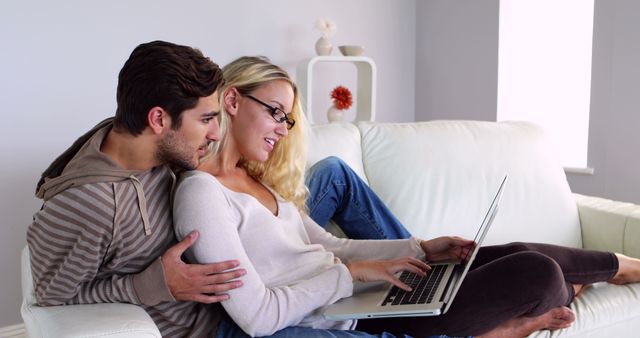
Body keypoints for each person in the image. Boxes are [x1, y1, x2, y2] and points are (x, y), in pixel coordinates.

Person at [172, 55, 640, 338]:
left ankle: (619, 267)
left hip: (364, 293)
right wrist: (350, 276)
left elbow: (332, 247)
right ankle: (546, 304)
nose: (281, 129)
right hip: (347, 316)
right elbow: (255, 316)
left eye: (288, 120)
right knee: (537, 273)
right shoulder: (202, 192)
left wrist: (419, 248)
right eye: (275, 113)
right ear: (232, 101)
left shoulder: (259, 182)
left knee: (520, 253)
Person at [26, 40, 421, 338]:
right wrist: (151, 282)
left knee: (332, 175)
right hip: (221, 321)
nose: (216, 133)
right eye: (206, 120)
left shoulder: (152, 147)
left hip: (240, 269)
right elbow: (50, 297)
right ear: (159, 119)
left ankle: (429, 272)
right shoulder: (88, 204)